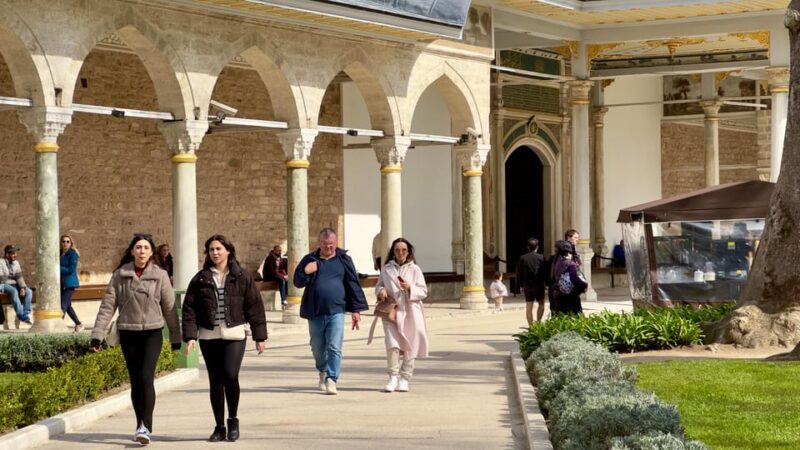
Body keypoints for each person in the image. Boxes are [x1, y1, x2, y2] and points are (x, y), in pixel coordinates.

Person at [90, 233, 181, 446]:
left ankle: (145, 427)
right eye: (138, 247)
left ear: (151, 252)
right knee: (135, 381)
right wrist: (97, 335)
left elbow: (169, 309)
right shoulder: (120, 275)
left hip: (152, 333)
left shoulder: (160, 275)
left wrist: (176, 337)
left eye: (146, 248)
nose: (142, 251)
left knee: (146, 377)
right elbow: (107, 307)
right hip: (128, 333)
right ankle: (139, 422)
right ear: (132, 251)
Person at [183, 234, 268, 442]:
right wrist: (190, 336)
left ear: (228, 251)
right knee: (215, 381)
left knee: (230, 375)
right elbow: (189, 309)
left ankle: (233, 419)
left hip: (235, 334)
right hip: (209, 336)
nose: (215, 253)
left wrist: (260, 336)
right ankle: (219, 426)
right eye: (211, 250)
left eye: (219, 249)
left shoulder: (242, 276)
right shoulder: (200, 278)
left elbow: (254, 306)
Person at [293, 228, 368, 395]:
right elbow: (297, 282)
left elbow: (352, 284)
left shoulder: (343, 260)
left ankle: (332, 378)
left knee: (334, 346)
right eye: (325, 245)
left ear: (336, 243)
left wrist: (356, 310)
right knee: (317, 347)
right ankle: (323, 370)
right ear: (319, 243)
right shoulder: (310, 259)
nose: (328, 248)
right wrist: (306, 271)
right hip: (315, 311)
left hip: (337, 311)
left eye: (332, 245)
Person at [372, 237, 429, 393]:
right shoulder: (387, 269)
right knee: (392, 344)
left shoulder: (415, 269)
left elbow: (423, 291)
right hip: (391, 311)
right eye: (397, 250)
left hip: (411, 312)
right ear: (393, 252)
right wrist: (381, 291)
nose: (401, 253)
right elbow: (379, 286)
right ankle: (392, 376)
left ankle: (405, 377)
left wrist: (410, 287)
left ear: (408, 252)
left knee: (410, 345)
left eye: (404, 250)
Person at [550, 240, 587, 315]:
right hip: (571, 296)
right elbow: (575, 279)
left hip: (559, 294)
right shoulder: (570, 264)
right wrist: (584, 286)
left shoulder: (557, 262)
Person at [0, 245, 33, 327]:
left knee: (28, 291)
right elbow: (2, 278)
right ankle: (20, 314)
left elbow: (19, 277)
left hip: (13, 284)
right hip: (3, 284)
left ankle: (25, 314)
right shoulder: (1, 262)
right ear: (7, 254)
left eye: (15, 253)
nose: (15, 255)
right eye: (13, 253)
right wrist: (14, 280)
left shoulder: (16, 263)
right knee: (13, 291)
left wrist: (22, 287)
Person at [516, 238, 546, 324]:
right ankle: (539, 322)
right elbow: (544, 271)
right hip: (539, 284)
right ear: (537, 247)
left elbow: (519, 273)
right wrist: (546, 284)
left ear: (527, 247)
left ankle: (531, 325)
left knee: (529, 305)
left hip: (527, 285)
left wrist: (521, 285)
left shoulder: (522, 258)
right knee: (541, 304)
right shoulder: (541, 257)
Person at [60, 234, 83, 332]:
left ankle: (58, 325)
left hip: (69, 283)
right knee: (68, 305)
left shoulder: (73, 254)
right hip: (60, 283)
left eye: (67, 241)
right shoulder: (59, 253)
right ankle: (79, 324)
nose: (65, 243)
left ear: (70, 243)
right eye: (63, 241)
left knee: (62, 305)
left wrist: (57, 268)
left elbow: (70, 269)